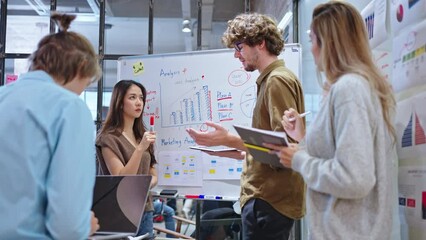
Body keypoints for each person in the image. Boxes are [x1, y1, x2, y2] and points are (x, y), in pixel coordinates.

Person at [264, 1, 400, 239]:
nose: (312, 47)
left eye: (313, 38)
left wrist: (299, 160)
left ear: (329, 43)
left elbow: (355, 178)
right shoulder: (354, 86)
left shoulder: (349, 89)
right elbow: (343, 156)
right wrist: (302, 137)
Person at [186, 13, 306, 240]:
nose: (236, 54)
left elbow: (282, 149)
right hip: (268, 198)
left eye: (239, 47)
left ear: (260, 43)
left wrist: (226, 139)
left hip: (268, 199)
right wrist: (234, 151)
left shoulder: (276, 80)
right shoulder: (272, 79)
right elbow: (274, 145)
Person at [0, 13, 101, 239]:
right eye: (88, 82)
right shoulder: (69, 108)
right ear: (83, 67)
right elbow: (67, 224)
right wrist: (84, 226)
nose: (82, 91)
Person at [95, 80, 175, 239]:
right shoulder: (108, 138)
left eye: (141, 98)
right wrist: (140, 148)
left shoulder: (141, 135)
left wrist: (148, 182)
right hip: (119, 212)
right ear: (119, 103)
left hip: (145, 208)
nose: (139, 102)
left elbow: (152, 171)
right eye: (132, 97)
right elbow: (121, 177)